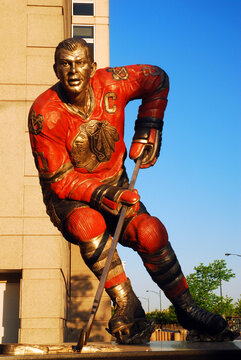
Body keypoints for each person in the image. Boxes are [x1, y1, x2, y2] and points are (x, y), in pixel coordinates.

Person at [28, 37, 236, 344]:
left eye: (80, 63)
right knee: (88, 224)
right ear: (56, 69)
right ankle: (127, 301)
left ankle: (187, 308)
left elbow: (157, 78)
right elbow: (61, 180)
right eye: (65, 64)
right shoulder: (45, 114)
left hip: (116, 184)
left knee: (149, 231)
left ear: (92, 67)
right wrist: (107, 196)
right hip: (70, 198)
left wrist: (150, 124)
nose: (73, 71)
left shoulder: (113, 82)